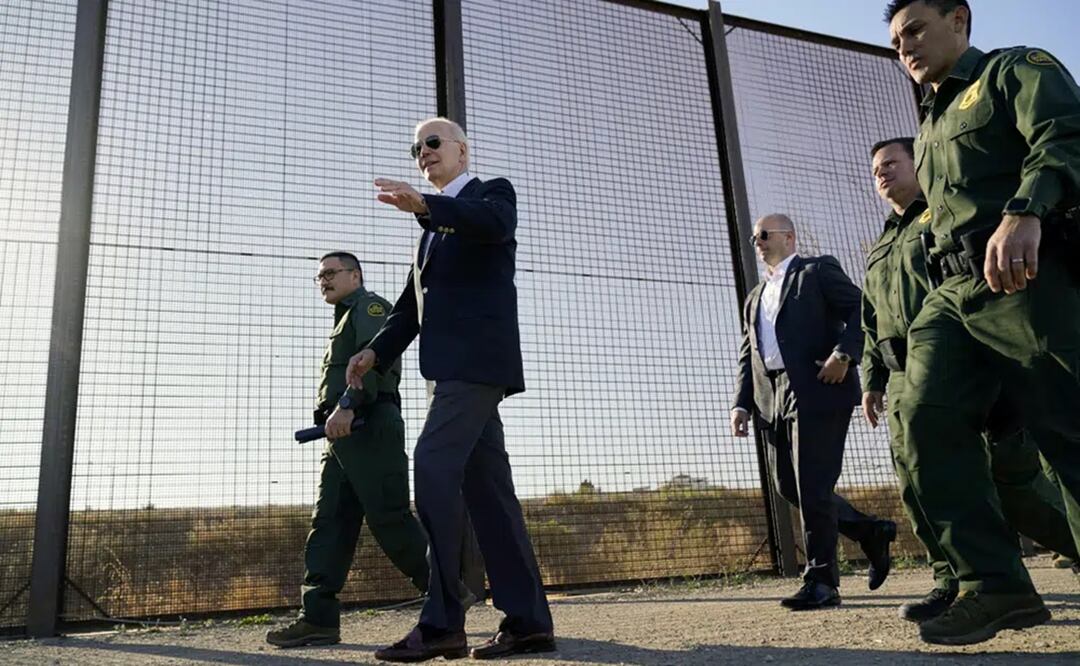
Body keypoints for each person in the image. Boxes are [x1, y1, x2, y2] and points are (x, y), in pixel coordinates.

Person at [886, 0, 1080, 645]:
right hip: (953, 292)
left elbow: (1065, 132)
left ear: (959, 21)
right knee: (923, 415)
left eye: (915, 29)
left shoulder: (1010, 71)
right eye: (896, 40)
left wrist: (1026, 209)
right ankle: (992, 584)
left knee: (1066, 430)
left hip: (1025, 276)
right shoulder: (931, 120)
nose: (905, 46)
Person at [347, 117, 555, 662]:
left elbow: (491, 224)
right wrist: (374, 352)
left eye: (433, 143)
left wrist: (425, 208)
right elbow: (410, 308)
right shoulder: (431, 238)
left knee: (433, 468)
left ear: (462, 150)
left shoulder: (490, 196)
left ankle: (443, 621)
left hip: (477, 368)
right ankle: (529, 621)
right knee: (490, 495)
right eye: (416, 148)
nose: (423, 153)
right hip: (454, 372)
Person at [861, 137, 1080, 624]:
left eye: (891, 163)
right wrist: (872, 376)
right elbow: (869, 319)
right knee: (920, 482)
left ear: (921, 165)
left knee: (1015, 484)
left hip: (968, 361)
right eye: (875, 169)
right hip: (904, 373)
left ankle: (1070, 547)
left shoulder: (941, 222)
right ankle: (955, 580)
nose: (881, 173)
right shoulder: (878, 245)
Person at [732, 214, 897, 611]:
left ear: (788, 237)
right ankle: (870, 531)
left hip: (819, 386)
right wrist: (742, 402)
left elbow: (861, 306)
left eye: (765, 234)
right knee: (789, 486)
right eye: (755, 236)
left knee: (812, 486)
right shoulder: (755, 295)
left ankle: (822, 582)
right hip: (770, 395)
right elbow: (747, 351)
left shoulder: (817, 270)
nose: (758, 241)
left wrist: (844, 354)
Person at [266, 252, 429, 648]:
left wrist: (349, 405)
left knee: (389, 517)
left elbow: (375, 361)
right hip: (340, 432)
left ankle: (446, 591)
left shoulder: (371, 307)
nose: (323, 280)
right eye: (319, 276)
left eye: (330, 273)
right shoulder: (341, 318)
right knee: (330, 522)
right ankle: (318, 618)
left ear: (354, 275)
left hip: (368, 422)